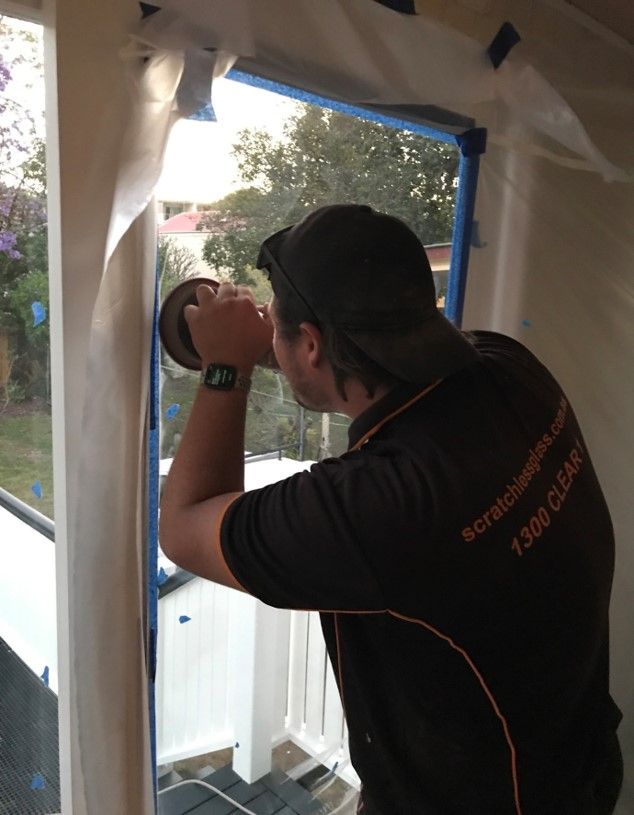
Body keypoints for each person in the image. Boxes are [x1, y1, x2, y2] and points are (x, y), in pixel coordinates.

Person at [159, 204, 622, 815]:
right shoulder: (508, 367)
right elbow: (366, 358)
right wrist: (277, 342)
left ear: (312, 344)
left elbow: (185, 524)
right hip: (577, 760)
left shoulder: (376, 509)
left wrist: (226, 365)